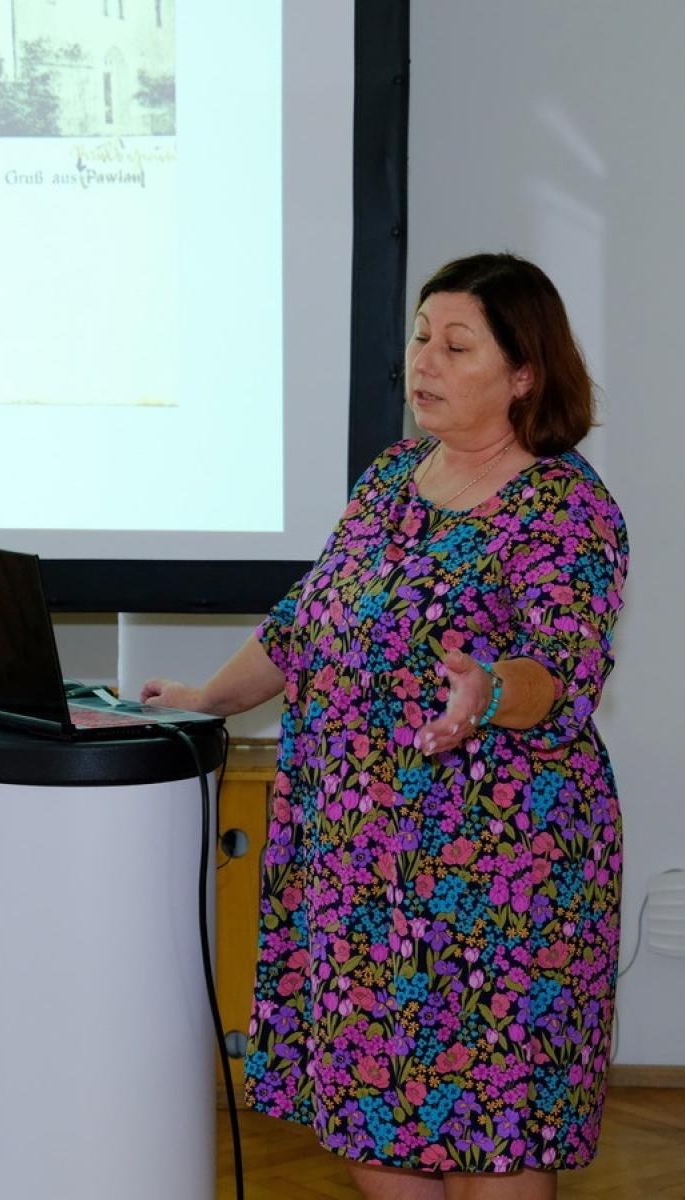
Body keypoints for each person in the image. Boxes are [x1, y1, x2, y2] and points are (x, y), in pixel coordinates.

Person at [143, 253, 627, 1199]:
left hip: (497, 884)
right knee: (376, 1122)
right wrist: (207, 697)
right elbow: (304, 624)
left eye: (456, 345)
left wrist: (486, 693)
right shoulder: (392, 477)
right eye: (418, 338)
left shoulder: (567, 511)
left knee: (495, 1132)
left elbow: (561, 671)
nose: (424, 362)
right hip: (359, 869)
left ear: (523, 373)